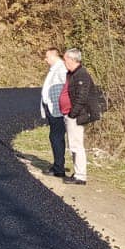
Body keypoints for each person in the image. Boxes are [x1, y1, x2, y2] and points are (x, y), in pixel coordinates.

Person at [61, 47, 101, 186]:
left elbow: (81, 98)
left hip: (77, 116)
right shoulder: (73, 74)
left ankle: (81, 176)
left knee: (77, 145)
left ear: (72, 60)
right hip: (72, 115)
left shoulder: (81, 75)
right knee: (73, 145)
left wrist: (72, 114)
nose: (64, 62)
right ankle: (77, 173)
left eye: (65, 59)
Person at [39, 47, 68, 179]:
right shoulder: (54, 69)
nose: (45, 60)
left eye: (47, 57)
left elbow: (67, 86)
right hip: (52, 108)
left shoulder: (61, 69)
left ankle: (59, 168)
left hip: (58, 110)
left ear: (53, 56)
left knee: (56, 137)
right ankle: (58, 166)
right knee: (54, 137)